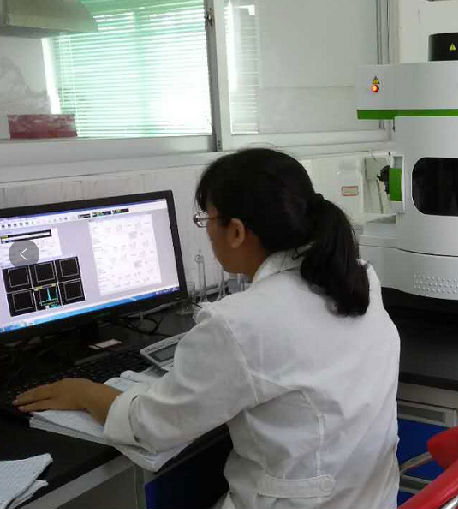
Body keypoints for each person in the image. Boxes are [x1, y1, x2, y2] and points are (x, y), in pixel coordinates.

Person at [14, 148, 402, 508]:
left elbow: (153, 425)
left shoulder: (239, 321)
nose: (207, 230)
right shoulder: (356, 277)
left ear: (237, 231)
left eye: (207, 219)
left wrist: (85, 393)